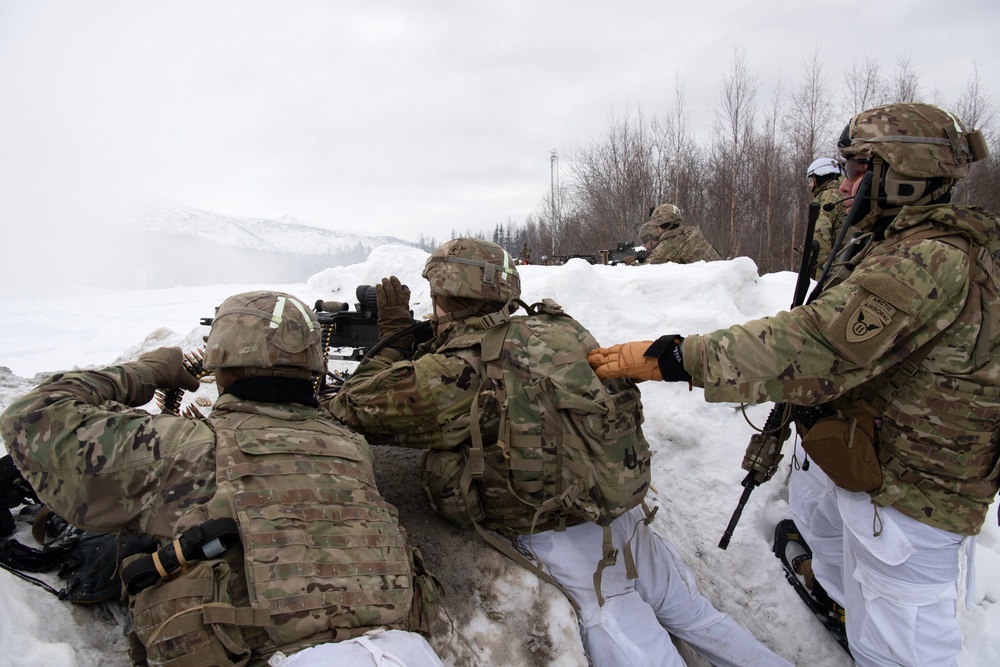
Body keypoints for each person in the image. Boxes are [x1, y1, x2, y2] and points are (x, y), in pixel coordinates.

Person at [588, 102, 997, 667]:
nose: (844, 185)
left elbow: (813, 345)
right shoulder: (901, 242)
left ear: (900, 175)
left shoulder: (927, 259)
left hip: (913, 493)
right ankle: (843, 596)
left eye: (858, 171)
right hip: (871, 450)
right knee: (819, 515)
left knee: (903, 643)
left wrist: (677, 358)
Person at [327, 237, 793, 667]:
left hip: (560, 530)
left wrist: (393, 336)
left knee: (622, 631)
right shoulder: (558, 327)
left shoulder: (456, 371)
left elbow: (351, 407)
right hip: (616, 505)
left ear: (443, 299)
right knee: (693, 612)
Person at [0, 290, 443, 667]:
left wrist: (148, 371)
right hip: (402, 652)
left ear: (221, 365)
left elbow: (30, 417)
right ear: (312, 364)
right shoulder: (349, 446)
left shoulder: (187, 447)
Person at [805, 157, 848, 279]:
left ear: (820, 176)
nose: (810, 185)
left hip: (835, 266)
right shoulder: (846, 194)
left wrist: (821, 275)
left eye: (811, 180)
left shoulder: (828, 195)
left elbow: (820, 234)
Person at [642, 204, 722, 265]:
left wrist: (630, 260)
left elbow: (645, 270)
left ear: (663, 225)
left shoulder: (669, 245)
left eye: (657, 226)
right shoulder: (690, 233)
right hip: (720, 279)